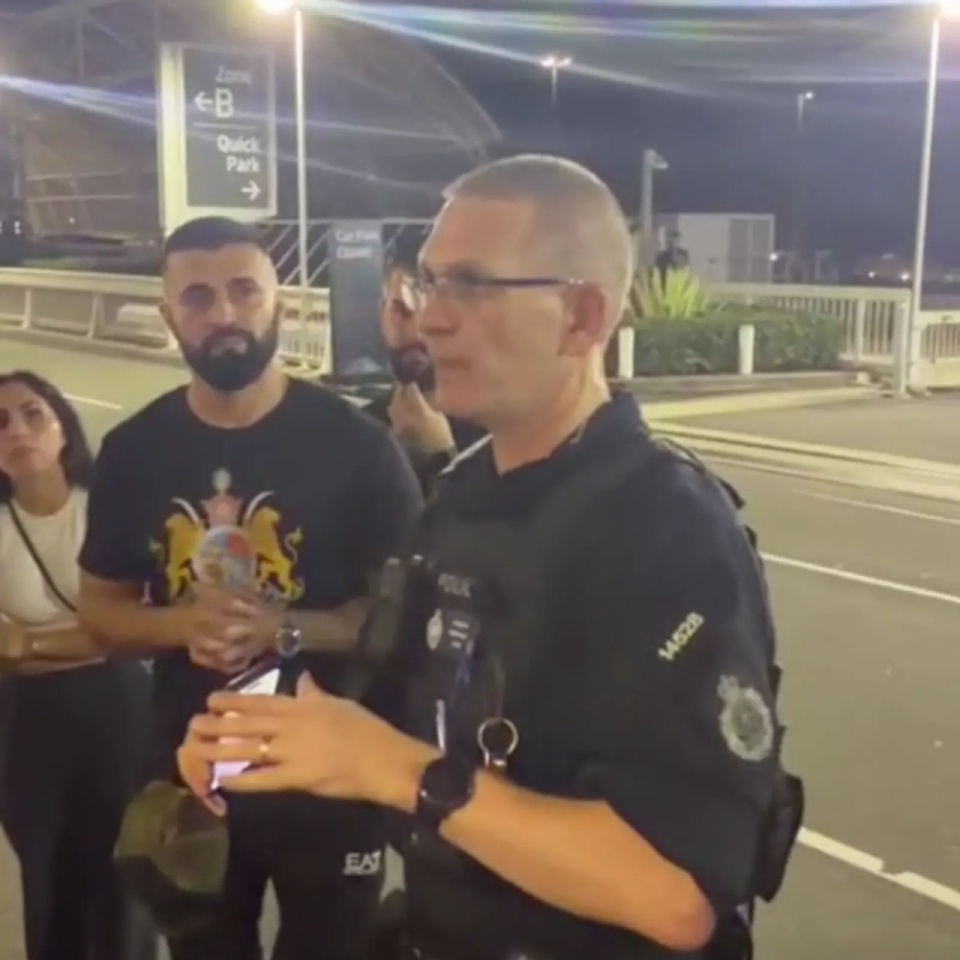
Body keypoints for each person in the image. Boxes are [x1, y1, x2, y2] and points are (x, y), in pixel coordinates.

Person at [174, 159, 801, 959]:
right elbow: (395, 713)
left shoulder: (663, 528)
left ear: (583, 316)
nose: (429, 319)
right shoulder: (462, 497)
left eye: (471, 285)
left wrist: (402, 772)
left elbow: (676, 897)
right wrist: (258, 727)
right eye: (430, 282)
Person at [77, 216, 422, 960]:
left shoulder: (360, 448)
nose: (224, 313)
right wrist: (181, 625)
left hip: (333, 777)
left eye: (244, 290)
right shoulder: (132, 452)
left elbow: (403, 617)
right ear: (169, 316)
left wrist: (282, 628)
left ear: (280, 303)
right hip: (190, 771)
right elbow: (100, 609)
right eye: (198, 298)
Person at [0, 370, 155, 960]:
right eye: (0, 423)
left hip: (118, 711)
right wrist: (97, 633)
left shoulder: (107, 513)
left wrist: (29, 644)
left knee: (121, 866)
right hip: (24, 724)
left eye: (32, 414)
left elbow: (139, 624)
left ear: (63, 427)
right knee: (45, 873)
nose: (17, 430)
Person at [361, 248, 485, 493]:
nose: (417, 329)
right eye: (401, 310)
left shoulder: (499, 434)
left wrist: (441, 457)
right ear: (381, 315)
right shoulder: (359, 432)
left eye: (434, 312)